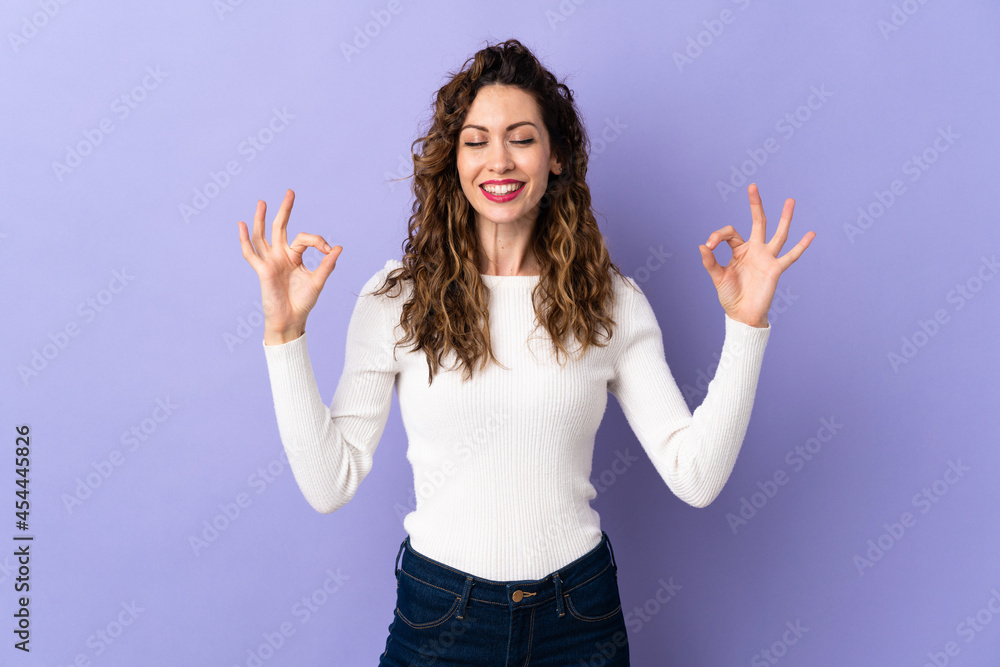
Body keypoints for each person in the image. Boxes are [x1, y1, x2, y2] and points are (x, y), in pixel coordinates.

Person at [238, 38, 813, 666]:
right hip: (441, 618)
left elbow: (695, 476)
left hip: (578, 620)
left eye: (522, 138)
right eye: (476, 141)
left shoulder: (611, 302)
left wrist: (746, 326)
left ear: (556, 155)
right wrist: (284, 333)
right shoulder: (396, 299)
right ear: (453, 160)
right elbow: (330, 484)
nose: (499, 161)